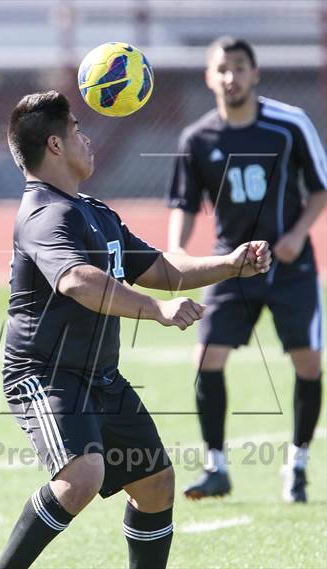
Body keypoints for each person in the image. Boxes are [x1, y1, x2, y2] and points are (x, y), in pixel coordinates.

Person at [0, 90, 271, 569]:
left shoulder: (93, 211)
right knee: (83, 476)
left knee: (156, 485)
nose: (87, 137)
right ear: (55, 146)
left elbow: (162, 269)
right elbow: (78, 280)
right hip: (45, 373)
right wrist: (156, 311)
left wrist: (229, 265)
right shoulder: (44, 213)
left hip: (99, 375)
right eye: (77, 129)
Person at [167, 37, 326, 503]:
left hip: (290, 267)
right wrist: (177, 248)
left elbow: (319, 188)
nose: (231, 77)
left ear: (255, 74)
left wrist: (296, 235)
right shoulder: (196, 138)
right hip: (231, 265)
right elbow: (183, 202)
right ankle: (216, 468)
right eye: (222, 69)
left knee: (308, 364)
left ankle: (296, 465)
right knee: (206, 359)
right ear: (209, 77)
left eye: (240, 68)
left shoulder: (289, 124)